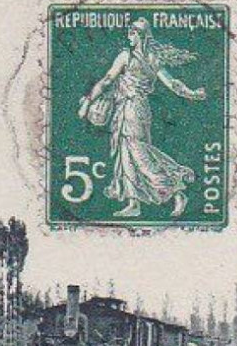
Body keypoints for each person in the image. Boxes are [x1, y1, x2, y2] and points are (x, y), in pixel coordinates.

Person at [77, 18, 207, 219]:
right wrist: (191, 93)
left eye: (132, 32)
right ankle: (133, 202)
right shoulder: (152, 59)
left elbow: (107, 80)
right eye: (129, 32)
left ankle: (176, 192)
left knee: (138, 154)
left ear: (140, 35)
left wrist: (87, 101)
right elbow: (173, 84)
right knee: (126, 154)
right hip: (134, 109)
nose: (129, 36)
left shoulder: (127, 57)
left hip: (132, 109)